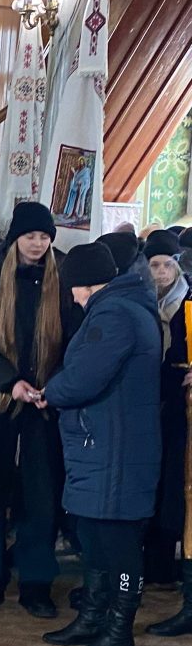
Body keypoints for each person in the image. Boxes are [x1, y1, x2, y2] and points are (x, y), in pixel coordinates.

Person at [41, 243, 160, 646]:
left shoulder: (114, 314)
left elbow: (83, 378)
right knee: (93, 536)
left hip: (115, 449)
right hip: (107, 445)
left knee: (116, 542)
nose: (72, 298)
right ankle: (93, 618)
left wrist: (48, 391)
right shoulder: (127, 307)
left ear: (87, 284)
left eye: (73, 288)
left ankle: (118, 632)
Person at [0, 201, 72, 618]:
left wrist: (53, 386)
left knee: (41, 494)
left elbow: (73, 340)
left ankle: (36, 584)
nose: (38, 244)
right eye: (30, 236)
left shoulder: (62, 280)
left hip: (45, 400)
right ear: (15, 238)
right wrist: (10, 382)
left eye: (44, 237)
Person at [141, 230, 191, 587]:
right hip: (149, 402)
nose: (161, 273)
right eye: (154, 265)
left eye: (166, 265)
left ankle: (165, 557)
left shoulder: (187, 302)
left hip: (177, 403)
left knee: (174, 480)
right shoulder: (143, 301)